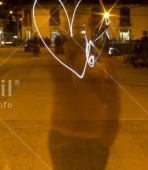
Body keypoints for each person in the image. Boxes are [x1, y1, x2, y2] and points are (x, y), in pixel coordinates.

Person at [49, 37, 120, 170]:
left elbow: (113, 100)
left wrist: (109, 134)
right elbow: (113, 100)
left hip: (86, 137)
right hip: (67, 135)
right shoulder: (61, 62)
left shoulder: (102, 62)